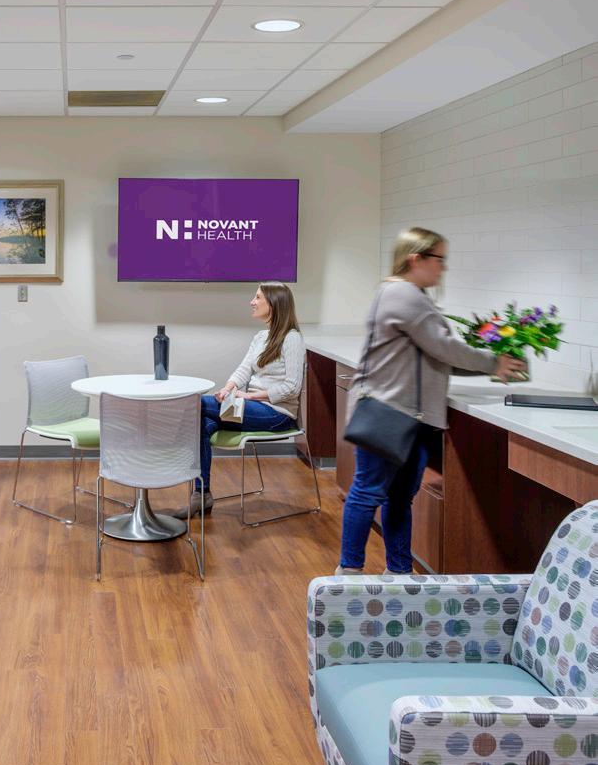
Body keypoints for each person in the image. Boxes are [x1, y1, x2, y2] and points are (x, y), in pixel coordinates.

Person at [337, 227, 526, 574]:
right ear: (416, 259)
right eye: (439, 259)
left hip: (409, 416)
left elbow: (436, 357)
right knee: (368, 492)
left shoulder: (408, 296)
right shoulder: (404, 295)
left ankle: (399, 572)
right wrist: (492, 362)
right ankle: (348, 575)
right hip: (390, 412)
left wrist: (492, 368)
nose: (444, 267)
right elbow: (445, 347)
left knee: (399, 496)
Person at [175, 282, 304, 520]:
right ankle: (201, 495)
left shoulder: (292, 338)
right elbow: (243, 370)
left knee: (196, 404)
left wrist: (250, 396)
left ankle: (170, 467)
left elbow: (292, 387)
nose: (252, 302)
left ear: (274, 303)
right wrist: (228, 389)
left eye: (257, 298)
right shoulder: (261, 337)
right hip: (251, 408)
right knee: (201, 424)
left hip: (276, 414)